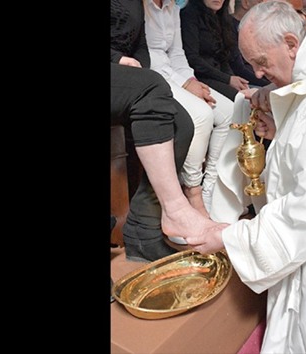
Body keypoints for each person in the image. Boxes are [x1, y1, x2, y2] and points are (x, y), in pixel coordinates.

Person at [182, 1, 306, 353]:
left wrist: (229, 237)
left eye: (261, 62)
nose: (258, 74)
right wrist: (280, 111)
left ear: (291, 43)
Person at [111, 0, 217, 261]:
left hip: (125, 72)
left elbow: (141, 44)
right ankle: (177, 209)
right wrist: (117, 59)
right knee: (152, 87)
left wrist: (138, 66)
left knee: (182, 123)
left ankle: (143, 231)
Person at [143, 0, 234, 219]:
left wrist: (191, 80)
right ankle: (192, 191)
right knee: (202, 115)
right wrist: (185, 84)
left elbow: (177, 53)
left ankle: (211, 189)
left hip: (177, 74)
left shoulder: (172, 7)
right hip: (153, 76)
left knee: (229, 111)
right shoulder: (141, 7)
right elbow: (146, 55)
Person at [180, 0, 250, 101]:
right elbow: (192, 58)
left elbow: (223, 57)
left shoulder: (222, 18)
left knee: (247, 94)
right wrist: (228, 79)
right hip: (199, 76)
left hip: (219, 75)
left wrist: (232, 78)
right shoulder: (189, 15)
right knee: (242, 100)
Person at [228, 0, 271, 87]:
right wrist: (270, 85)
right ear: (245, 3)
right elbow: (239, 68)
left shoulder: (257, 29)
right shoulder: (229, 28)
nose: (262, 8)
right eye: (259, 3)